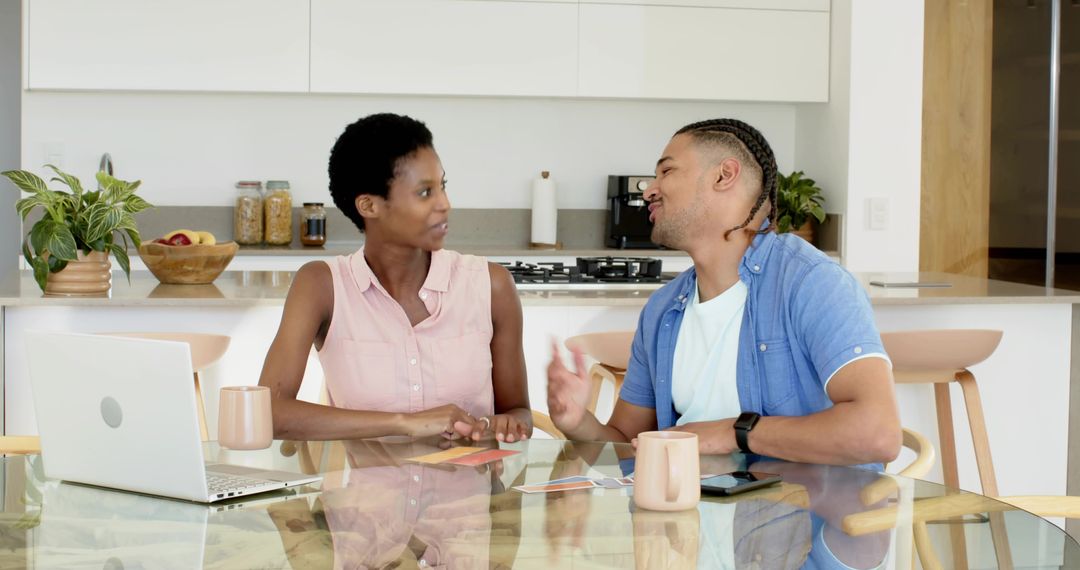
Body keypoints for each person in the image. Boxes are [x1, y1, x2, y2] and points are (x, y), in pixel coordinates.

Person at [547, 118, 900, 466]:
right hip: (686, 518)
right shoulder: (662, 310)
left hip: (805, 518)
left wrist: (734, 432)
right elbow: (625, 451)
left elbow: (878, 434)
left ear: (723, 175)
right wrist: (577, 421)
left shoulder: (811, 283)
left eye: (666, 172)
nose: (649, 190)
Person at [259, 113, 532, 442]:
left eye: (442, 187)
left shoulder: (491, 285)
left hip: (472, 490)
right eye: (424, 193)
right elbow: (268, 412)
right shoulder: (321, 286)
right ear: (369, 205)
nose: (444, 204)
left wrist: (504, 425)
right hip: (365, 492)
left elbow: (519, 413)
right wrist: (405, 422)